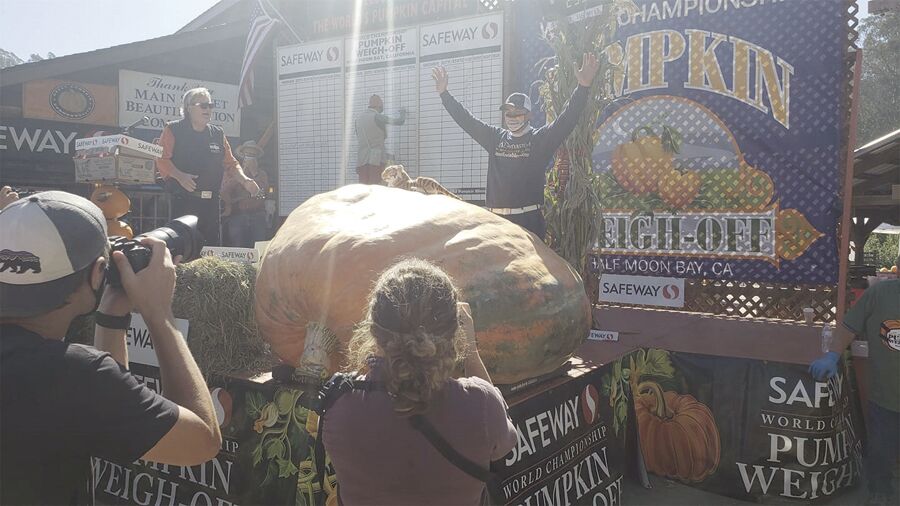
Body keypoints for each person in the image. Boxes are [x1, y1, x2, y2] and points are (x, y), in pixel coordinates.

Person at [0, 191, 222, 504]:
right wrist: (159, 315)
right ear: (97, 274)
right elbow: (201, 441)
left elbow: (109, 410)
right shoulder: (72, 374)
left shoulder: (71, 376)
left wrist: (111, 315)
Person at [322, 259, 517, 505]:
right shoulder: (482, 405)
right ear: (455, 331)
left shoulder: (339, 405)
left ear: (373, 331)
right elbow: (502, 446)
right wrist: (472, 352)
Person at [431, 53, 600, 238]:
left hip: (528, 221)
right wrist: (444, 94)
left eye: (517, 113)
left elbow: (566, 120)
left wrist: (583, 87)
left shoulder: (539, 140)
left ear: (528, 115)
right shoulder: (495, 137)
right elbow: (466, 120)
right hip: (495, 221)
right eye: (508, 113)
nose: (512, 118)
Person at [809, 255, 900, 505]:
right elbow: (849, 326)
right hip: (885, 395)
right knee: (881, 450)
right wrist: (832, 355)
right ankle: (880, 492)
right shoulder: (880, 294)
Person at [156, 87, 260, 246]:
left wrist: (245, 181)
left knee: (209, 248)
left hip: (211, 203)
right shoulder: (173, 129)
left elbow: (231, 164)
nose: (208, 109)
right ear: (189, 107)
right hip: (183, 200)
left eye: (210, 105)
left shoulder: (217, 133)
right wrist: (180, 175)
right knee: (183, 247)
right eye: (203, 105)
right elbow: (161, 158)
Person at [221, 140, 269, 248]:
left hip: (257, 215)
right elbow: (224, 191)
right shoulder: (232, 172)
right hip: (237, 214)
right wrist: (241, 177)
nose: (250, 157)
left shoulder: (262, 174)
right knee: (237, 246)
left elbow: (263, 193)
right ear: (242, 156)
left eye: (253, 155)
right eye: (248, 154)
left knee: (258, 246)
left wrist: (254, 173)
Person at [355, 94, 407, 184]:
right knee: (376, 189)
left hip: (361, 161)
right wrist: (403, 112)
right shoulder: (377, 116)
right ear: (379, 104)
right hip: (376, 161)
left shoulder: (358, 119)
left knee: (363, 189)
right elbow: (399, 121)